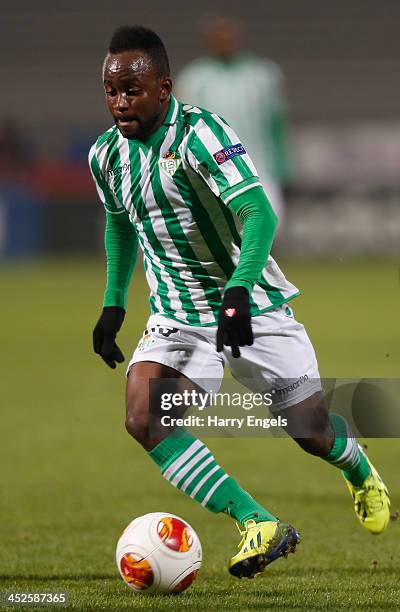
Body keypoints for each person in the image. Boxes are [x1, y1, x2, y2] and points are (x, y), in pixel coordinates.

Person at [89, 25, 390, 580]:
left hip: (254, 306)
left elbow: (260, 215)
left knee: (310, 429)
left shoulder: (200, 133)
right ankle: (257, 521)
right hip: (179, 316)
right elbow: (118, 222)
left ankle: (357, 467)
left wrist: (238, 292)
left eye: (131, 89)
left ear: (163, 87)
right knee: (143, 416)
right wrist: (114, 303)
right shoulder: (105, 156)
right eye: (111, 90)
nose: (119, 102)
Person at [175, 16, 292, 229]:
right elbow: (183, 128)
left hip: (260, 167)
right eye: (218, 37)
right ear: (208, 41)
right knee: (223, 232)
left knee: (268, 226)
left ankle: (261, 263)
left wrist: (282, 164)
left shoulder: (263, 75)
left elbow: (276, 124)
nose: (224, 41)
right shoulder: (193, 78)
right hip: (214, 169)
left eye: (228, 36)